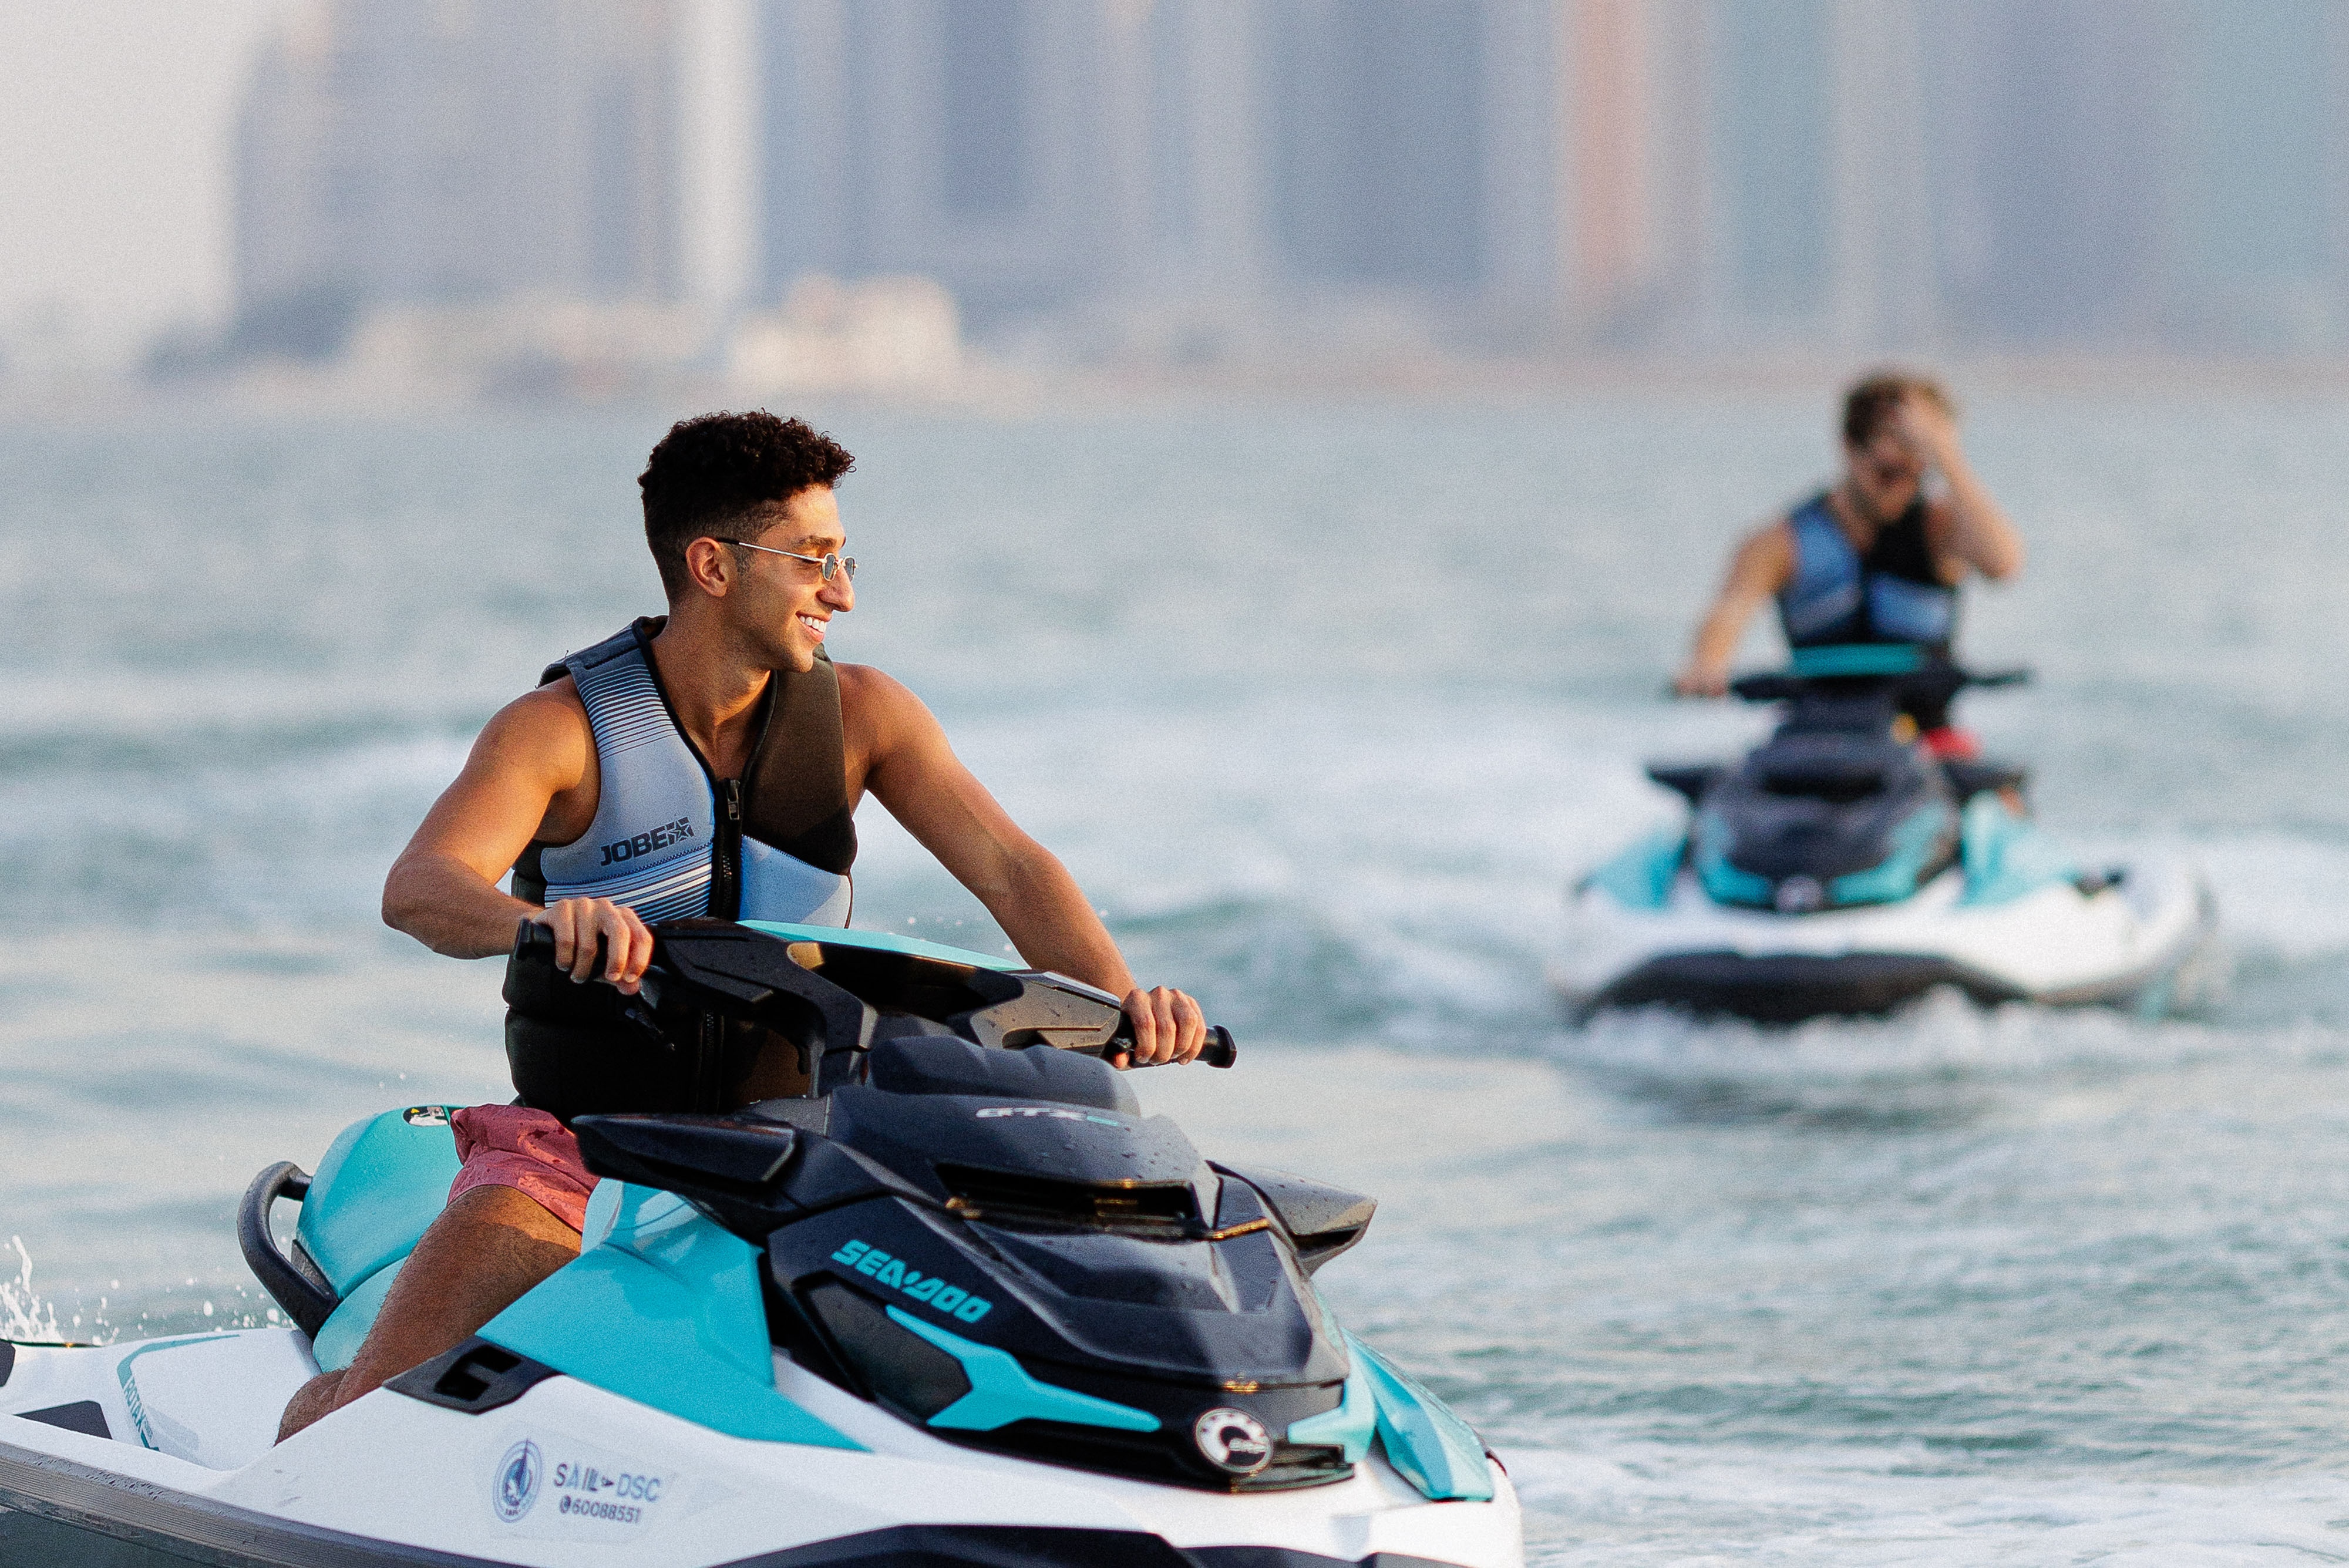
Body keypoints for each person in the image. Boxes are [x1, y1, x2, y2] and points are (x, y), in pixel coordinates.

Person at [279, 411, 1206, 1438]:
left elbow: (1014, 872)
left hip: (810, 1150)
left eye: (842, 558)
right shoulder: (563, 730)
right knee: (366, 1418)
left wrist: (1124, 1000)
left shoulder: (866, 716)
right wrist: (537, 924)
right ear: (713, 566)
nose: (843, 593)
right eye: (813, 561)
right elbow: (421, 886)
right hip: (580, 1152)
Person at [1672, 371, 2025, 755]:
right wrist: (1707, 664)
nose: (1903, 487)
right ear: (1850, 449)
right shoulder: (1780, 543)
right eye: (1888, 472)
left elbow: (2003, 564)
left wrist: (1948, 457)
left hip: (1927, 742)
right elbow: (1731, 609)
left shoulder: (1942, 531)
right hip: (1813, 738)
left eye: (1919, 472)